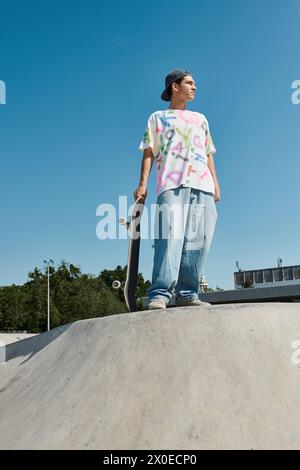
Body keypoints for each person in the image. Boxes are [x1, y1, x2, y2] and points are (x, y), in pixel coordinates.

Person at [134, 69, 221, 310]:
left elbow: (208, 153)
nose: (194, 87)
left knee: (199, 239)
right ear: (175, 86)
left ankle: (187, 293)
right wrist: (142, 183)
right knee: (168, 236)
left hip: (202, 184)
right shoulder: (157, 117)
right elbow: (149, 151)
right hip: (171, 184)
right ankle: (160, 293)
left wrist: (215, 182)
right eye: (189, 83)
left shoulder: (201, 119)